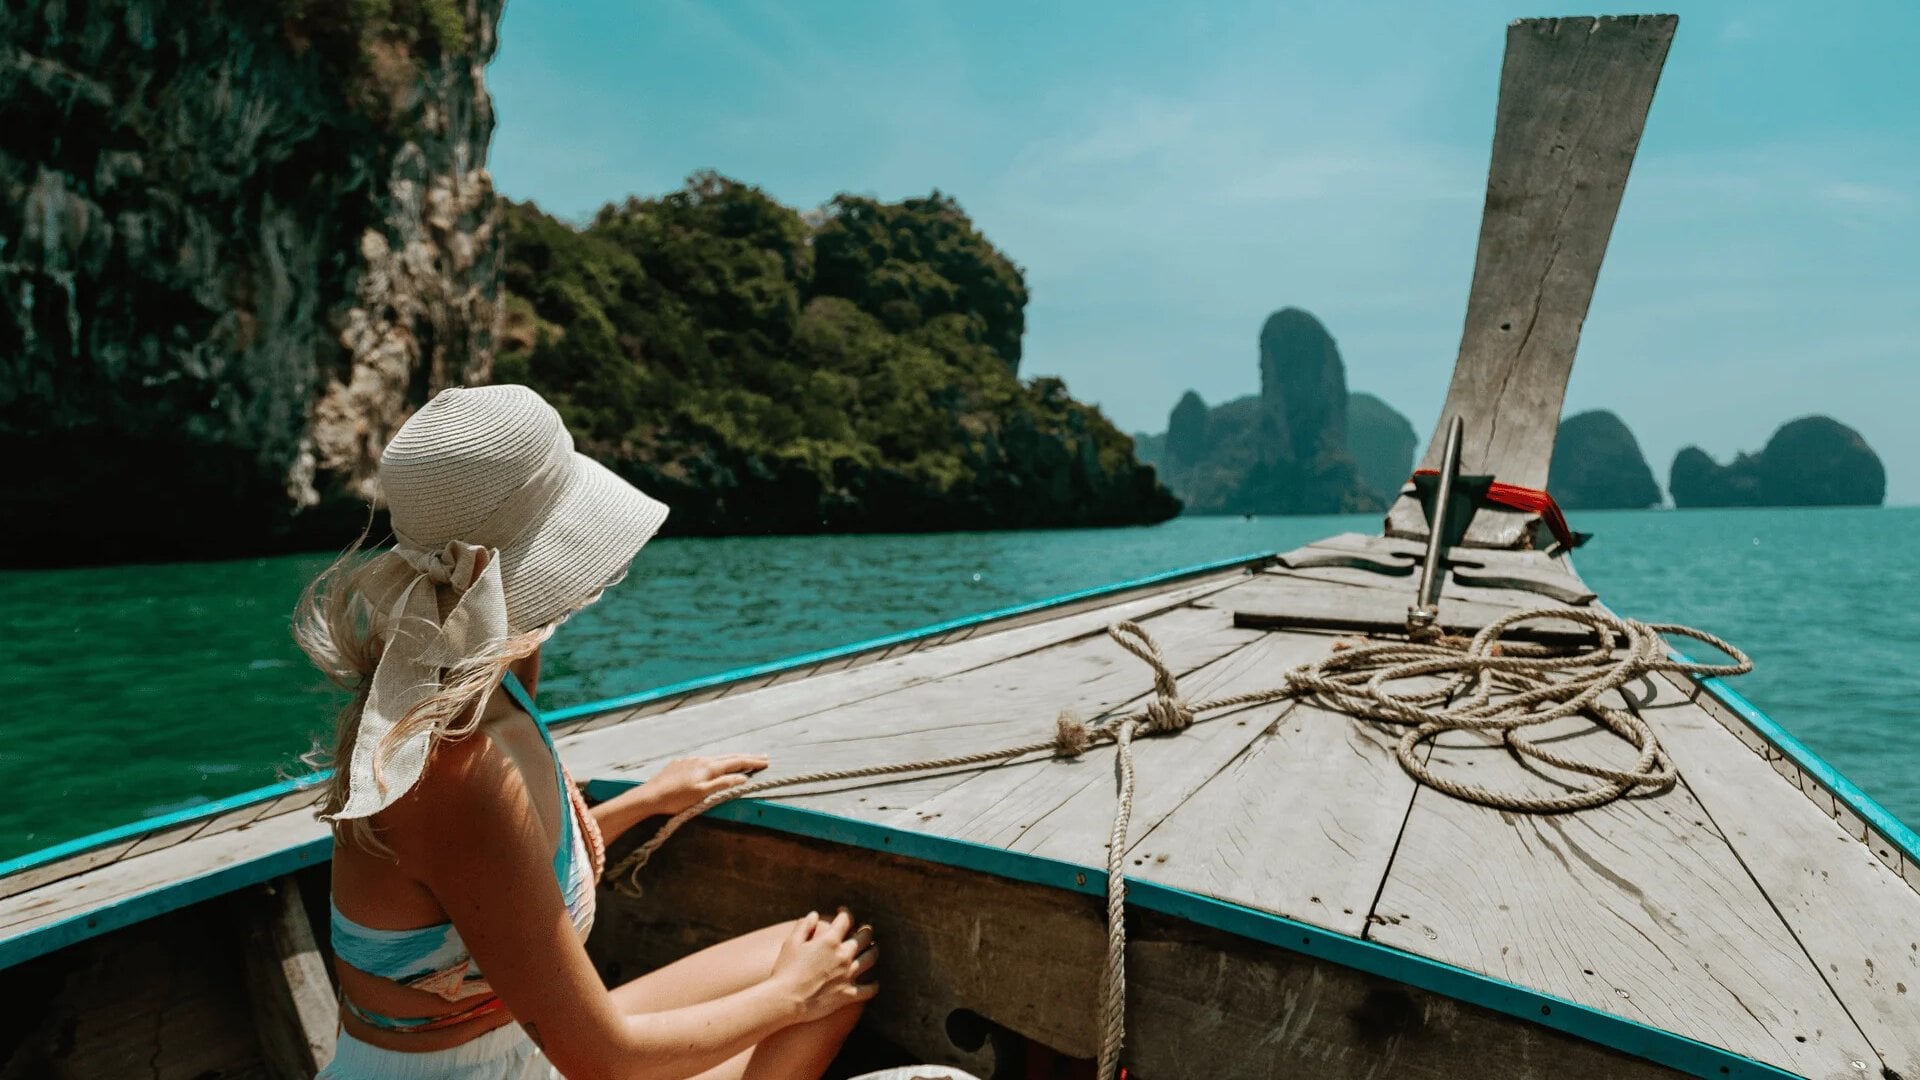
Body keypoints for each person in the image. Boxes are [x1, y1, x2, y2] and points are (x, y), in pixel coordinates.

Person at [297, 385, 876, 1080]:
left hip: (523, 1047)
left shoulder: (497, 678)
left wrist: (643, 801)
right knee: (819, 985)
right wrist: (790, 997)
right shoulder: (455, 766)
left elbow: (505, 889)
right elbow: (604, 1060)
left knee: (824, 948)